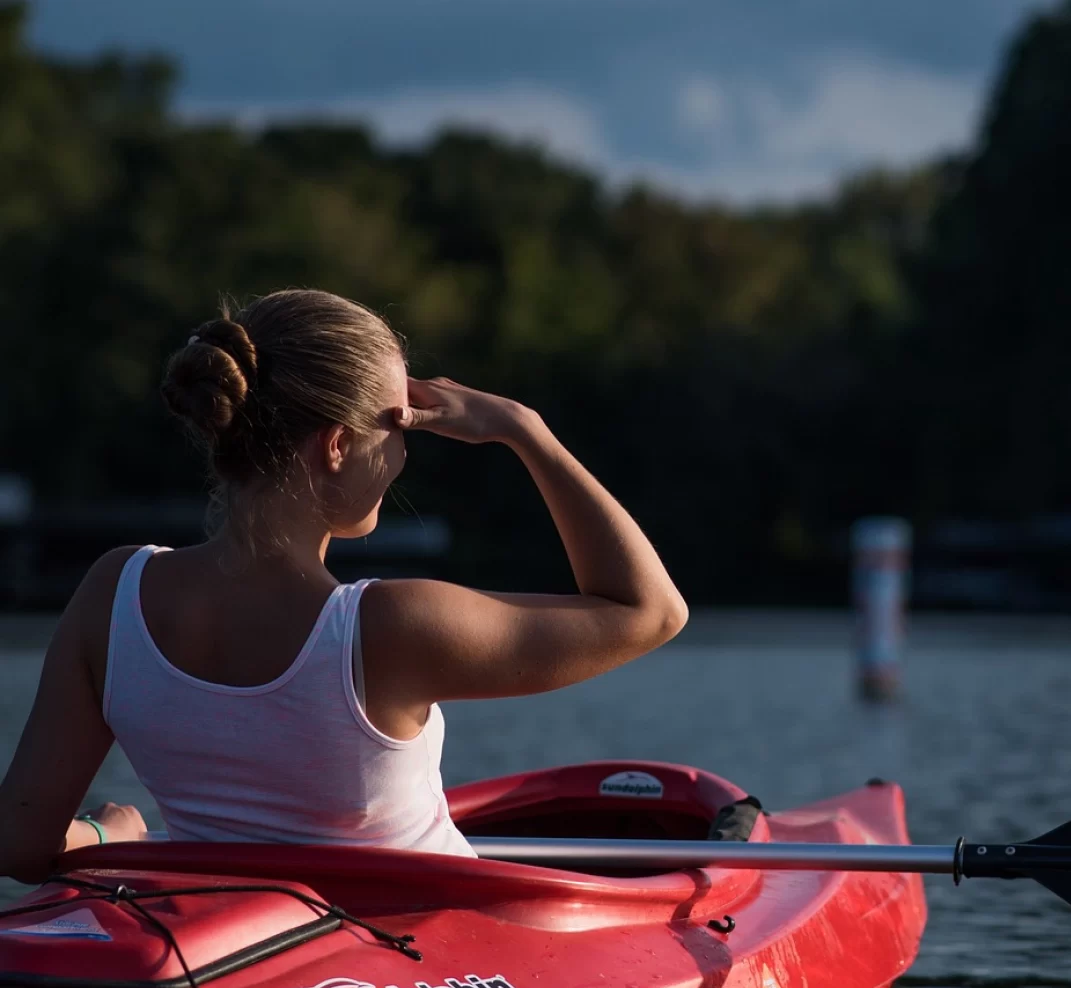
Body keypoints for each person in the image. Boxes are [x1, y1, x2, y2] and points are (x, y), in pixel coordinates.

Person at [0, 289, 688, 882]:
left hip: (236, 953)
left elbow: (19, 845)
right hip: (420, 961)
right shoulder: (390, 626)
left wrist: (106, 834)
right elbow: (651, 610)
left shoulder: (113, 594)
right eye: (400, 424)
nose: (404, 452)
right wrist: (525, 431)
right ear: (336, 446)